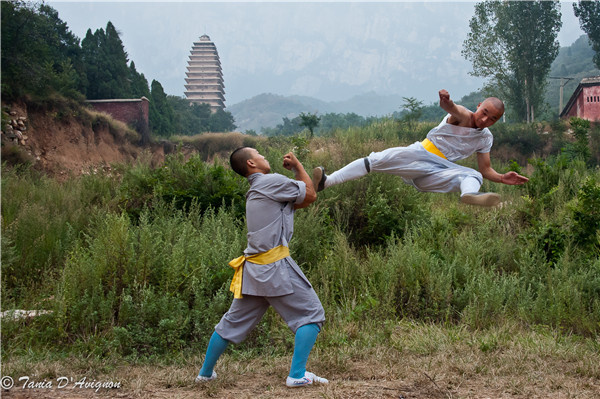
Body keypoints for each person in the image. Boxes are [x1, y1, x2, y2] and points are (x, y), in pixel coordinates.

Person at [195, 147, 328, 388]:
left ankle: (205, 373)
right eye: (258, 153)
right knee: (311, 315)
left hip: (254, 270)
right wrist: (299, 167)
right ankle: (297, 375)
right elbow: (309, 196)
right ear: (251, 163)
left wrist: (305, 182)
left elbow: (297, 203)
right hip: (275, 266)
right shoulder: (271, 181)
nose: (264, 155)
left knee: (231, 323)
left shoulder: (257, 190)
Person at [312, 89, 529, 206]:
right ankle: (327, 182)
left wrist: (501, 178)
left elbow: (486, 169)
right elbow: (453, 108)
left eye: (492, 119)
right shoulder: (463, 116)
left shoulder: (485, 138)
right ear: (479, 106)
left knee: (473, 175)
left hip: (439, 172)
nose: (484, 121)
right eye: (484, 113)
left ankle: (468, 195)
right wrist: (446, 102)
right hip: (421, 154)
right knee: (375, 160)